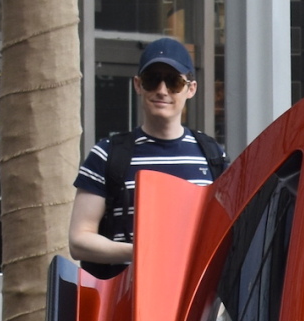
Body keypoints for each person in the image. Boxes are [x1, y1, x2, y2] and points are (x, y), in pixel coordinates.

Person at [68, 39, 224, 267]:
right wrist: (144, 252)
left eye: (173, 82)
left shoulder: (212, 155)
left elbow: (224, 233)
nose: (162, 91)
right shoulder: (107, 154)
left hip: (193, 298)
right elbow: (79, 241)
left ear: (191, 89)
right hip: (124, 298)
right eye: (152, 80)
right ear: (138, 85)